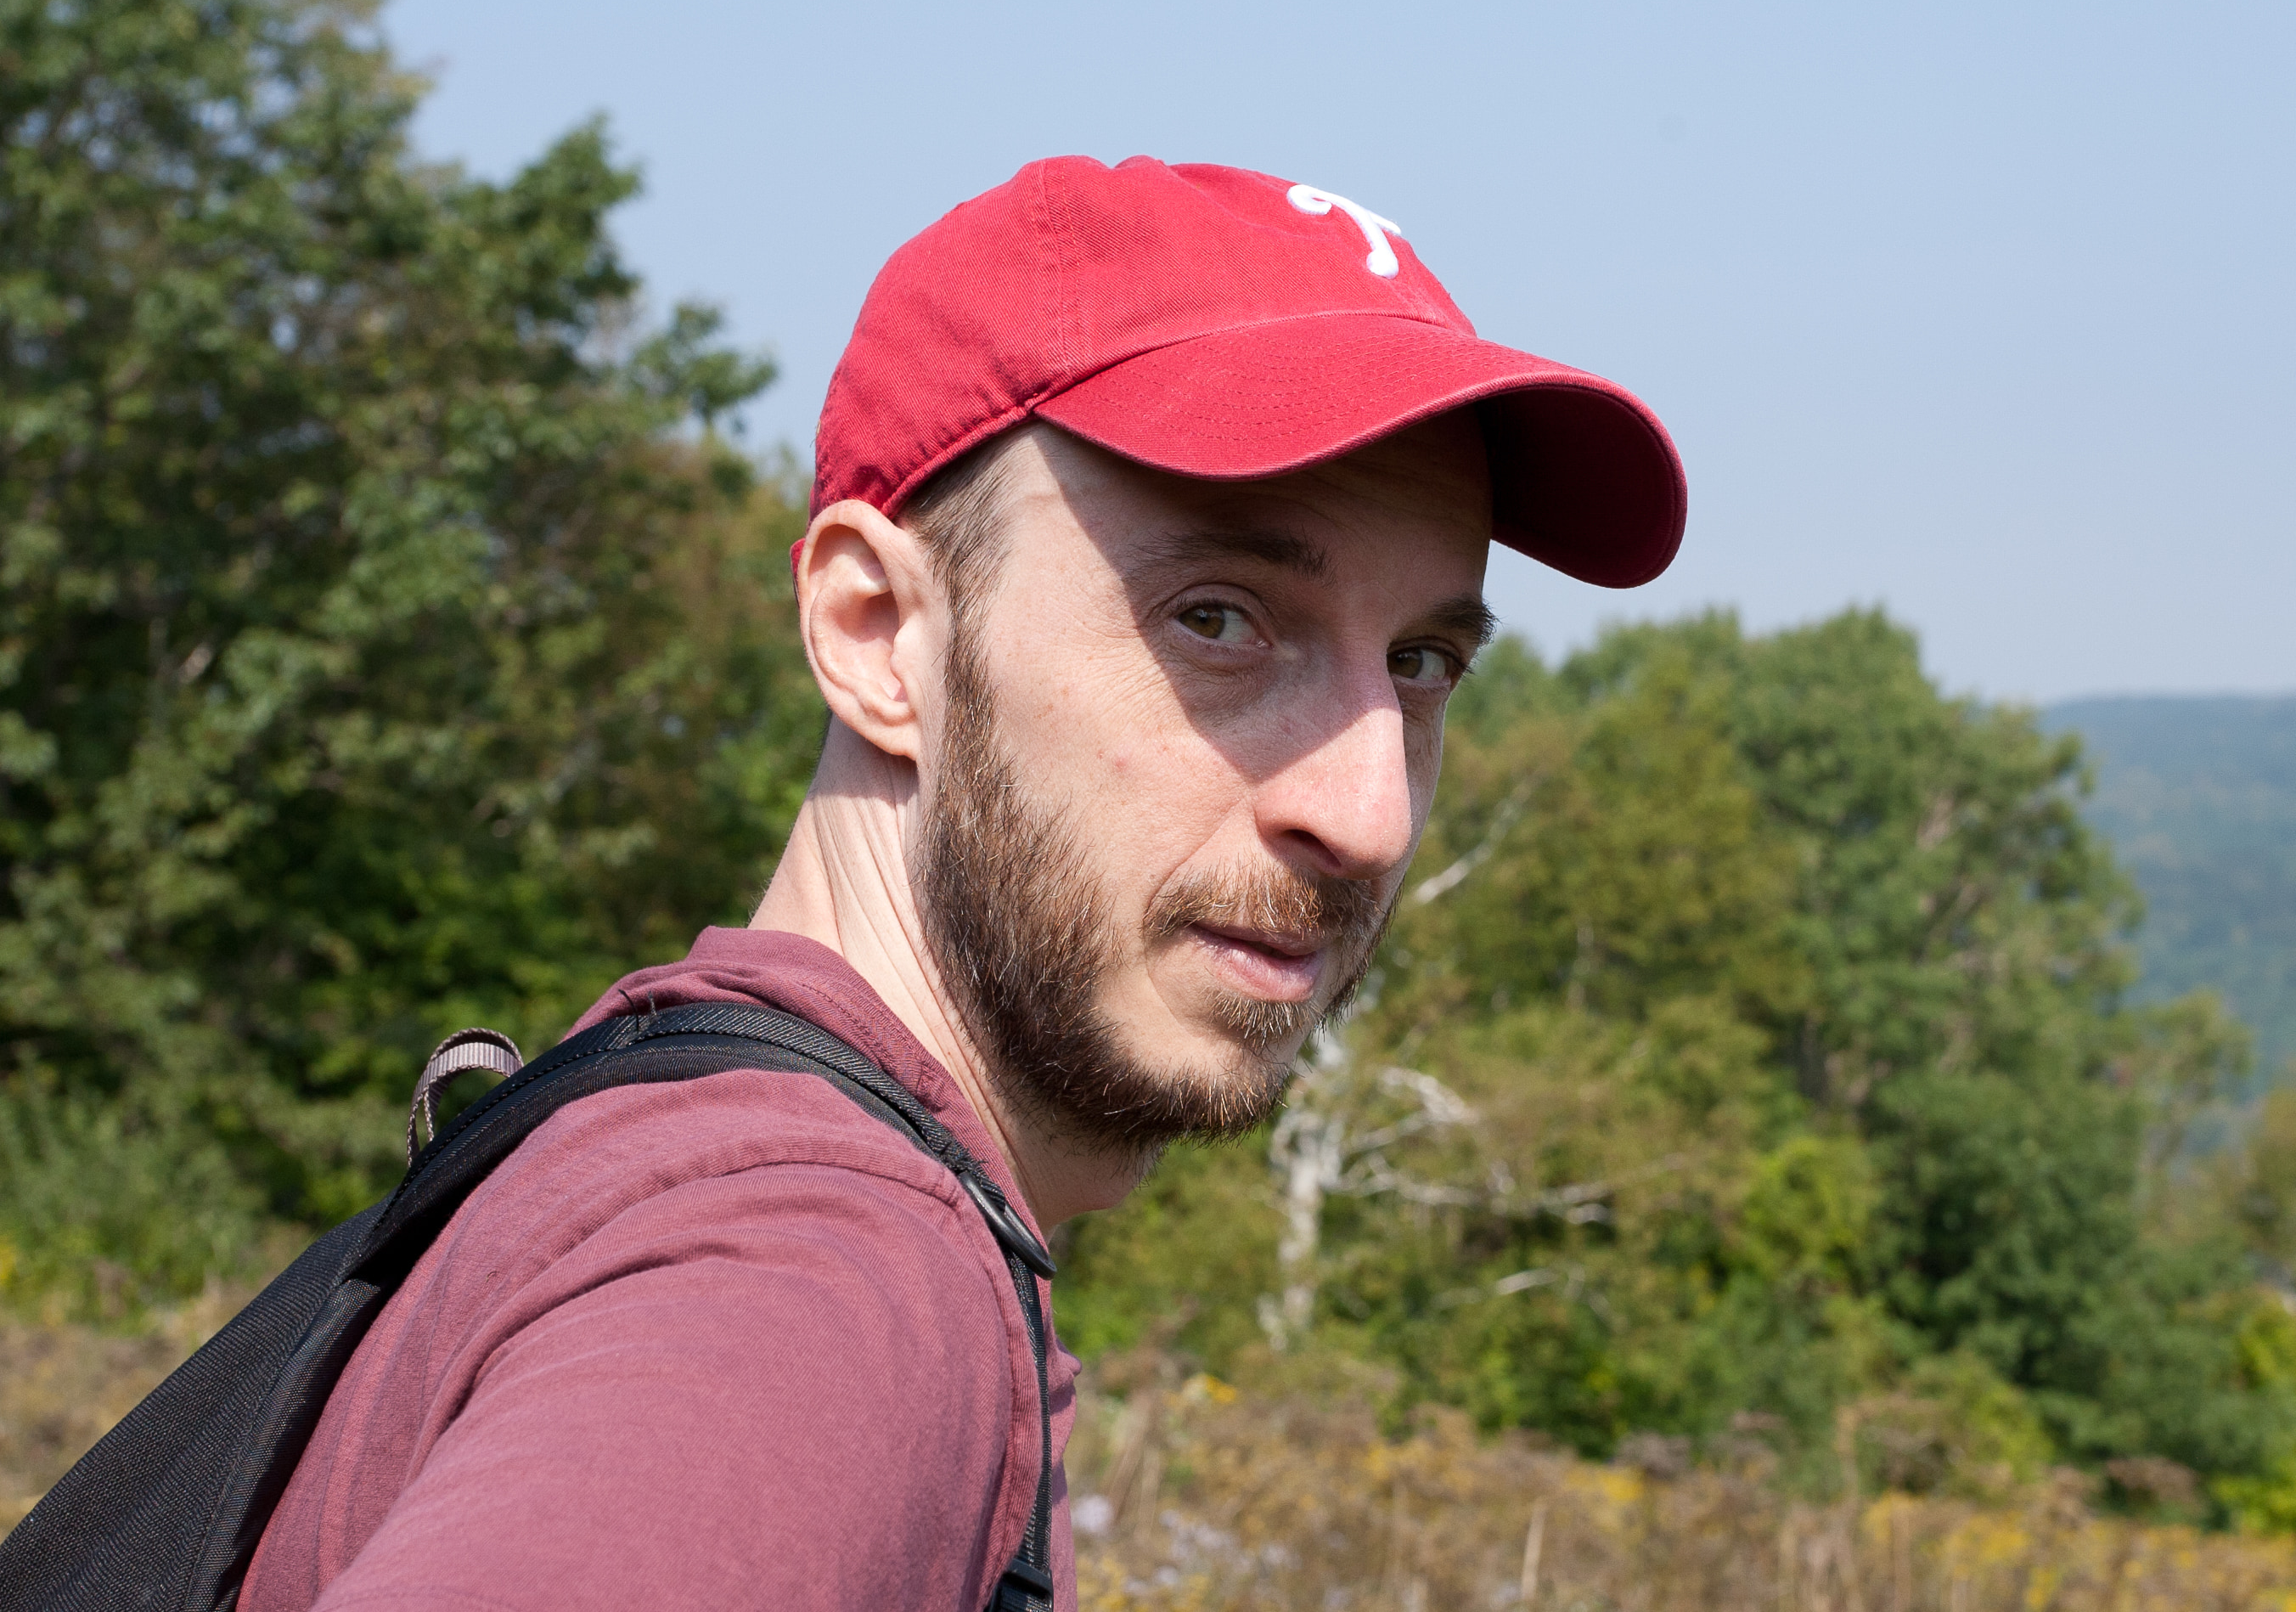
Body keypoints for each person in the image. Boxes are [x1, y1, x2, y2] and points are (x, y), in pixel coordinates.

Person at [235, 156, 1685, 1611]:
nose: (1367, 813)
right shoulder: (811, 1288)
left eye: (1422, 662)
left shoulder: (652, 1138)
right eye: (1221, 619)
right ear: (875, 635)